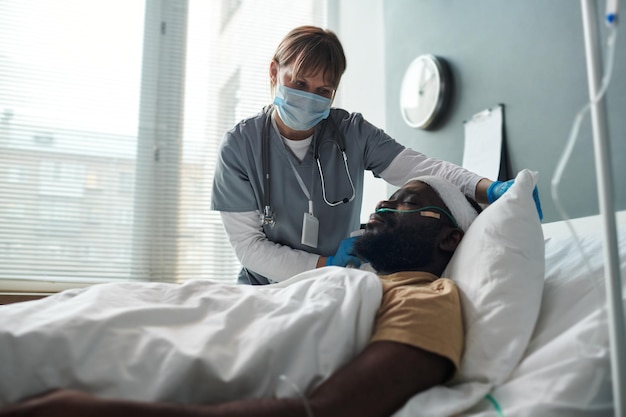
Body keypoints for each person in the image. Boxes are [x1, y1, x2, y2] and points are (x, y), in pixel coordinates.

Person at [0, 175, 481, 417]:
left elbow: (327, 410)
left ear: (449, 239)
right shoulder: (359, 283)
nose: (383, 205)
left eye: (409, 202)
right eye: (384, 199)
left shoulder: (430, 296)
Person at [210, 25, 530, 286]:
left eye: (323, 91)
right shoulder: (240, 147)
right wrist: (325, 263)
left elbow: (420, 169)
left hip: (335, 286)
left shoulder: (352, 132)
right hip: (265, 290)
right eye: (299, 83)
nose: (309, 97)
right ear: (274, 72)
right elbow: (248, 246)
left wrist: (489, 188)